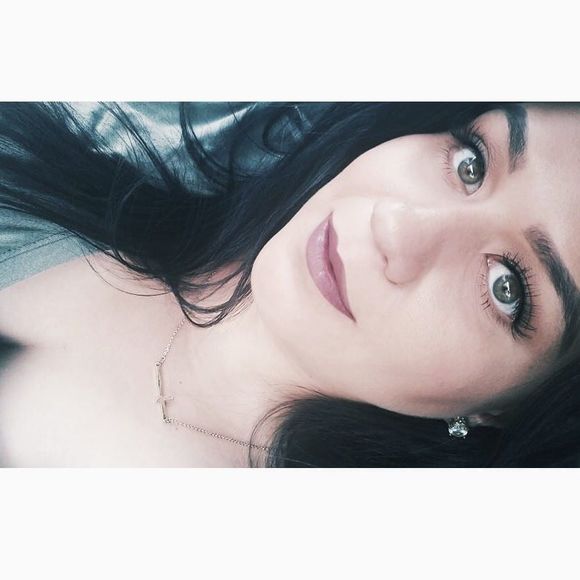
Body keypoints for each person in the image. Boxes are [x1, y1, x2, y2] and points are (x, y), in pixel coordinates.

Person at [0, 102, 579, 467]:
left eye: (507, 287)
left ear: (506, 410)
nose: (398, 225)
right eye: (471, 164)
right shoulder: (113, 150)